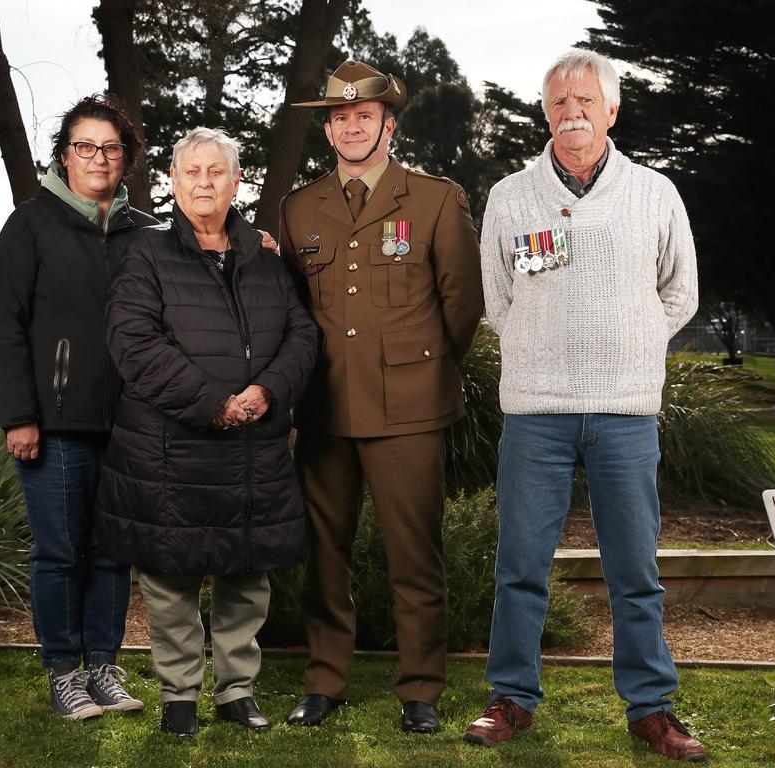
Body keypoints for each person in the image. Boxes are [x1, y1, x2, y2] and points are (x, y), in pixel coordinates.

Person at [464, 50, 705, 763]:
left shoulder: (654, 191)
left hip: (625, 412)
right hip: (536, 410)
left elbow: (681, 291)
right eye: (559, 101)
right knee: (521, 565)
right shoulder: (512, 194)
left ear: (611, 111)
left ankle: (651, 708)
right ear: (546, 113)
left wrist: (636, 342)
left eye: (585, 100)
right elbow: (497, 298)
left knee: (635, 569)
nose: (572, 112)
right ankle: (511, 699)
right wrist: (542, 347)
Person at [280, 60, 484, 734]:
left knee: (413, 556)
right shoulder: (299, 208)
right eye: (339, 117)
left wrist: (421, 371)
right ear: (329, 130)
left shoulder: (433, 198)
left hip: (409, 409)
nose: (351, 126)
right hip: (326, 408)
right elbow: (292, 310)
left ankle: (420, 688)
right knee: (325, 556)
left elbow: (461, 307)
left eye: (363, 116)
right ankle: (324, 681)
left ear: (387, 125)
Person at [97, 127, 318, 737]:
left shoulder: (265, 257)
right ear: (173, 181)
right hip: (171, 449)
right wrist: (215, 403)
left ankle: (236, 690)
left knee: (245, 575)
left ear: (235, 181)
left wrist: (266, 392)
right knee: (171, 580)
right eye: (191, 172)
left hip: (254, 448)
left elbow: (302, 336)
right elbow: (133, 343)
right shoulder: (146, 254)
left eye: (215, 172)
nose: (203, 182)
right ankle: (178, 694)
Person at [0, 94, 158, 721]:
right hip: (53, 426)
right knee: (60, 552)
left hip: (131, 425)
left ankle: (104, 669)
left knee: (113, 552)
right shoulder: (31, 224)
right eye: (85, 146)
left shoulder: (145, 234)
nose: (98, 158)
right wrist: (19, 415)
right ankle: (63, 673)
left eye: (110, 147)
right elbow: (2, 324)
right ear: (65, 155)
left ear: (126, 159)